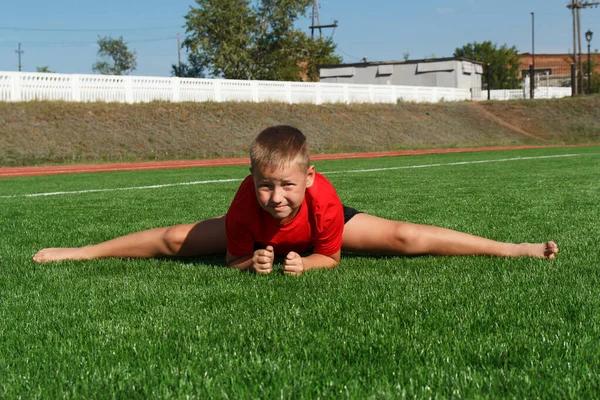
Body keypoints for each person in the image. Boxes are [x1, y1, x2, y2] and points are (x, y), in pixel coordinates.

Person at [33, 125, 558, 275]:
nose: (276, 196)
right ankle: (83, 251)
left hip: (317, 234)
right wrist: (252, 262)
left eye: (287, 185)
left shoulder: (322, 198)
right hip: (260, 236)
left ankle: (512, 248)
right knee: (174, 240)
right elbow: (235, 256)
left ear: (309, 178)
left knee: (404, 237)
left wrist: (307, 262)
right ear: (252, 178)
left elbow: (331, 256)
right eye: (266, 184)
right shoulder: (247, 203)